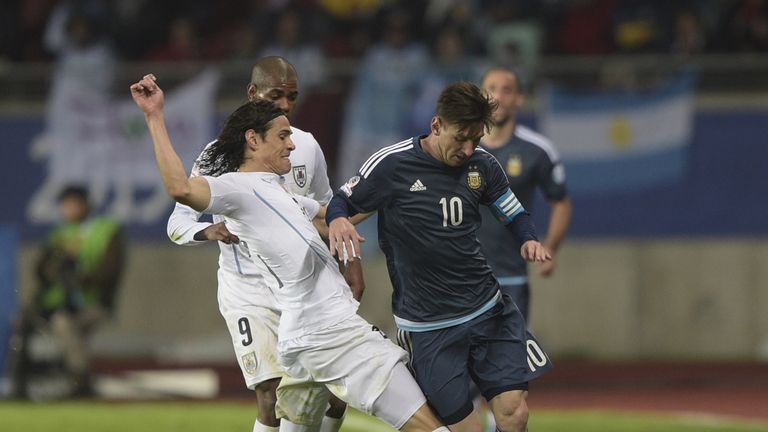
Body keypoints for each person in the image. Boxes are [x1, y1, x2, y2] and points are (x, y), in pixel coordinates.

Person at [132, 74, 447, 432]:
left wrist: (397, 189)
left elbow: (334, 213)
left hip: (304, 333)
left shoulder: (277, 191)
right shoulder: (236, 189)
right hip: (330, 333)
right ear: (253, 140)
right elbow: (179, 188)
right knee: (428, 425)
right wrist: (155, 116)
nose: (292, 145)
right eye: (282, 137)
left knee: (300, 420)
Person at [326, 82, 553, 432]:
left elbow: (514, 213)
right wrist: (338, 219)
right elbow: (342, 201)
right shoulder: (392, 164)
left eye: (475, 139)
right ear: (436, 126)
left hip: (487, 310)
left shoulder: (483, 166)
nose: (467, 149)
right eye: (460, 138)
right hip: (429, 327)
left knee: (515, 413)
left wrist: (528, 239)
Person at [166, 57, 360, 432]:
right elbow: (178, 221)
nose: (286, 105)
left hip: (303, 290)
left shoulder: (305, 147)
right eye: (277, 96)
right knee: (271, 395)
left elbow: (329, 216)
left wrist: (352, 266)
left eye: (292, 96)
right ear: (253, 94)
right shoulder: (216, 156)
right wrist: (207, 232)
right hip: (249, 292)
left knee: (335, 391)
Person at [477, 66, 572, 322]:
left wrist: (550, 248)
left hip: (511, 276)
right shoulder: (459, 146)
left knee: (510, 359)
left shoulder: (537, 150)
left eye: (506, 90)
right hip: (459, 277)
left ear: (519, 99)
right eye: (491, 89)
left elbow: (561, 203)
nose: (497, 97)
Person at [13, 185, 124, 398]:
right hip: (59, 302)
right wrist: (54, 271)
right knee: (28, 323)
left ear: (86, 205)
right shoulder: (60, 233)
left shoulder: (106, 230)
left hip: (94, 304)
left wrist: (78, 278)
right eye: (66, 205)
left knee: (64, 325)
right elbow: (40, 270)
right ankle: (20, 382)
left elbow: (110, 273)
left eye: (74, 204)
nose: (69, 209)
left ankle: (81, 380)